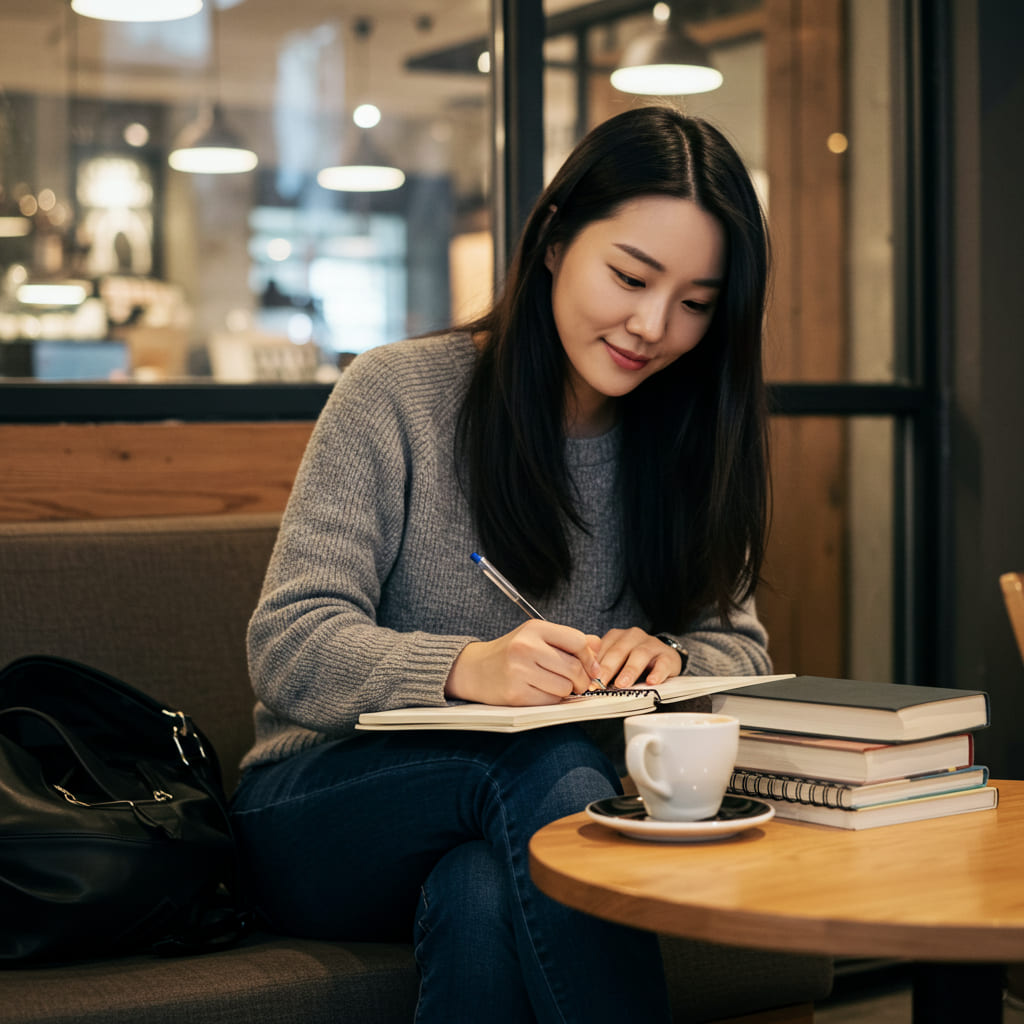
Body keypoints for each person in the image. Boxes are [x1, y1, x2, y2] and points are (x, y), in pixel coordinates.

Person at [230, 104, 772, 1024]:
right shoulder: (398, 396)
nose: (653, 325)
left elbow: (743, 653)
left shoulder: (686, 442)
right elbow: (288, 644)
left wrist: (675, 663)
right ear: (556, 241)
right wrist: (464, 670)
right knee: (535, 765)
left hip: (521, 831)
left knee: (483, 894)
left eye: (695, 305)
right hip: (325, 811)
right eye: (631, 277)